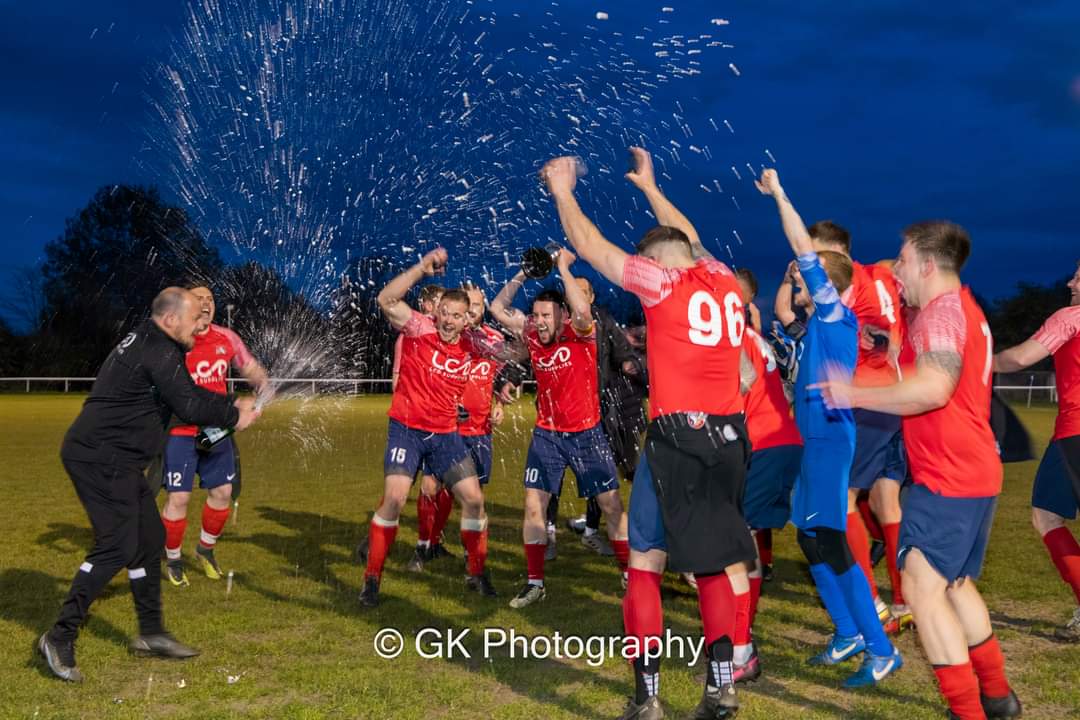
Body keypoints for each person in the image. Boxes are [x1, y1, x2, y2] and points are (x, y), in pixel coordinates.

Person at [543, 147, 756, 720]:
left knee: (645, 564)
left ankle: (648, 699)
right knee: (711, 564)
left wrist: (563, 191)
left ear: (658, 262)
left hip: (677, 441)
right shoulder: (724, 280)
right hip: (731, 441)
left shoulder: (663, 284)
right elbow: (687, 234)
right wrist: (649, 187)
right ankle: (720, 688)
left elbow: (591, 247)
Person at [817, 221, 1022, 719]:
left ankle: (969, 711)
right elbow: (926, 363)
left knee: (921, 588)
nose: (898, 269)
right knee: (954, 585)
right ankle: (997, 696)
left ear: (928, 265)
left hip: (949, 475)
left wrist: (853, 393)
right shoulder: (960, 310)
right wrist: (884, 341)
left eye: (903, 259)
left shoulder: (942, 312)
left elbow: (933, 388)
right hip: (973, 470)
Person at [37, 288, 259, 683]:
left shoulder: (151, 340)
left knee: (150, 539)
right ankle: (59, 635)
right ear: (171, 319)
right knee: (116, 545)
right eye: (193, 320)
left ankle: (151, 633)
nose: (198, 327)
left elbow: (183, 396)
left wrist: (226, 410)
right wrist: (233, 412)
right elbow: (188, 404)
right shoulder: (157, 349)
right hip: (99, 457)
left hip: (116, 459)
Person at [757, 169, 902, 689]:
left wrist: (779, 193)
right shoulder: (819, 322)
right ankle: (847, 633)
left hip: (829, 443)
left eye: (803, 277)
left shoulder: (834, 312)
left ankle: (880, 648)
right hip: (814, 440)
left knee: (833, 543)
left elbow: (803, 249)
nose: (795, 279)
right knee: (812, 538)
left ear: (824, 284)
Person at [358, 249, 503, 607]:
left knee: (474, 499)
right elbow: (386, 299)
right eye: (445, 314)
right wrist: (421, 269)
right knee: (394, 499)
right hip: (406, 429)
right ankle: (372, 579)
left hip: (445, 436)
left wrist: (505, 386)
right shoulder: (419, 329)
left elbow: (511, 356)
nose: (449, 321)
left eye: (457, 316)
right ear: (436, 311)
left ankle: (476, 572)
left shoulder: (473, 344)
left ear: (466, 319)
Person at [491, 248, 630, 609]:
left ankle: (630, 572)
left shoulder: (579, 333)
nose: (538, 321)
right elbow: (497, 309)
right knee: (533, 504)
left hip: (587, 433)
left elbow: (582, 309)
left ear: (561, 316)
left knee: (611, 507)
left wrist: (565, 268)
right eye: (535, 315)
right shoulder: (533, 338)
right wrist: (523, 274)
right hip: (547, 435)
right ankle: (535, 582)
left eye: (546, 315)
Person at [804, 221, 908, 631]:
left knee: (841, 501)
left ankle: (873, 605)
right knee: (886, 502)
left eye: (815, 254)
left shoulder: (852, 286)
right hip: (893, 399)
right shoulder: (882, 276)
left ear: (836, 252)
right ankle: (903, 600)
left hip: (861, 401)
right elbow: (888, 329)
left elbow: (868, 332)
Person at [993, 261, 1080, 641]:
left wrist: (977, 363)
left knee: (1046, 517)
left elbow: (1021, 358)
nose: (1071, 281)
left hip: (1075, 433)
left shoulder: (1070, 317)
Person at [160, 284, 270, 586]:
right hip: (181, 430)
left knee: (222, 493)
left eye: (210, 299)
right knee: (179, 498)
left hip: (217, 430)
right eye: (199, 299)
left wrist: (263, 390)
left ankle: (205, 551)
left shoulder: (226, 337)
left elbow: (249, 366)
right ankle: (172, 558)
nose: (206, 303)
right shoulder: (176, 338)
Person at [557, 276, 647, 558]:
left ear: (592, 298)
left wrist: (631, 363)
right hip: (563, 413)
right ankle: (551, 532)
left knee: (609, 471)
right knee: (558, 475)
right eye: (574, 292)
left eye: (584, 293)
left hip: (601, 413)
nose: (578, 298)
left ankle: (596, 530)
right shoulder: (557, 321)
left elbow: (623, 352)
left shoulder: (602, 321)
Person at [734, 322, 804, 679]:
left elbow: (738, 387)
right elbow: (782, 392)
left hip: (766, 445)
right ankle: (742, 639)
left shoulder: (727, 332)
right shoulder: (750, 334)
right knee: (746, 536)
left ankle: (741, 649)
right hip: (782, 440)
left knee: (735, 542)